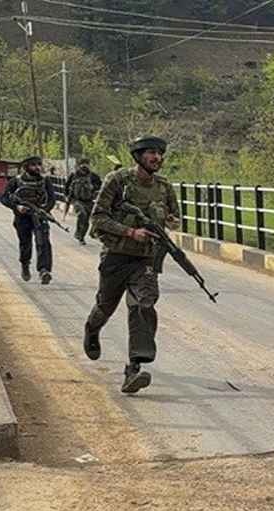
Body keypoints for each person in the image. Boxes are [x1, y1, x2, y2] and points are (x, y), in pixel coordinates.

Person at [83, 136, 180, 394]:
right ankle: (92, 329)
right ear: (138, 156)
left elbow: (175, 217)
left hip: (145, 259)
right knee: (105, 306)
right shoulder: (117, 181)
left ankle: (134, 368)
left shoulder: (164, 186)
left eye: (159, 153)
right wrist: (130, 232)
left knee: (143, 305)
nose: (157, 157)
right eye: (151, 153)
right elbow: (98, 218)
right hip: (116, 256)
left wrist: (170, 221)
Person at [0, 155, 56, 284]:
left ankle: (44, 270)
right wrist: (17, 207)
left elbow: (52, 199)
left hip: (39, 216)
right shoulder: (16, 181)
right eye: (34, 165)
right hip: (23, 217)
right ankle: (25, 264)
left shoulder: (45, 181)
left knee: (43, 242)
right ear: (26, 167)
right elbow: (4, 198)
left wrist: (44, 210)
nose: (37, 168)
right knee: (25, 244)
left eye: (39, 165)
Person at [64, 158, 102, 245]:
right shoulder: (74, 175)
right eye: (83, 163)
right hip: (77, 200)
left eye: (86, 163)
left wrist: (93, 188)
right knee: (82, 214)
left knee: (91, 218)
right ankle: (78, 234)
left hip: (89, 200)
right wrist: (67, 197)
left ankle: (84, 235)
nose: (84, 166)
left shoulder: (93, 176)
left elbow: (100, 186)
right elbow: (67, 186)